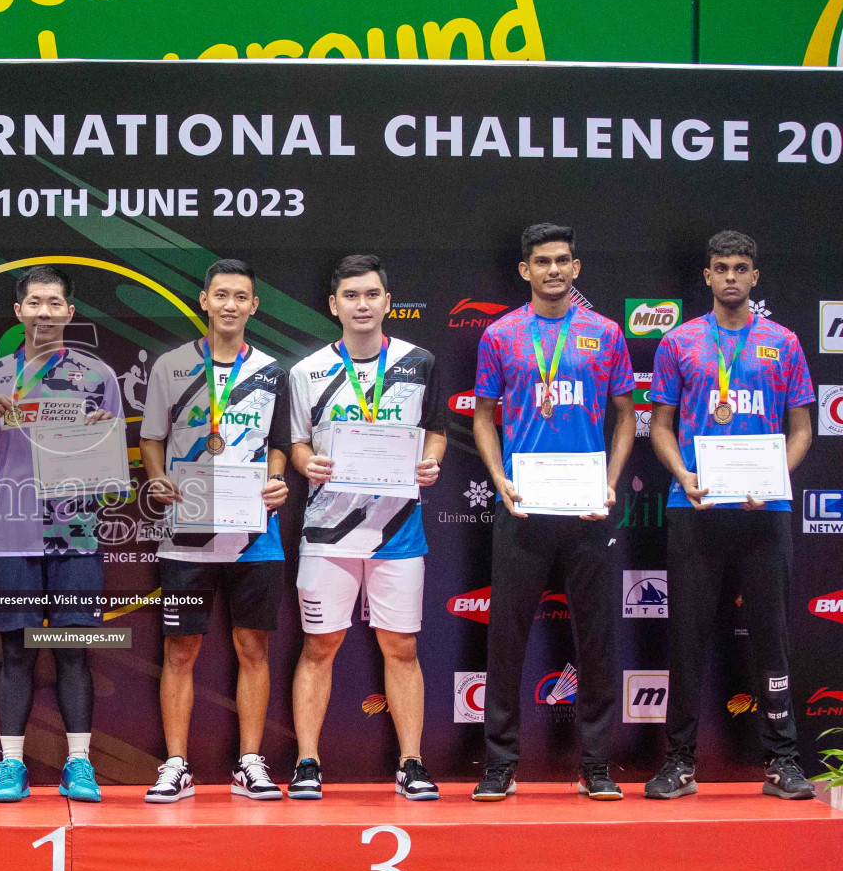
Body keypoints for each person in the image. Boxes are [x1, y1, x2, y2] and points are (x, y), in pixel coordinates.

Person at [644, 230, 815, 800]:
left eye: (742, 268)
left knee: (772, 636)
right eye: (722, 268)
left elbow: (803, 427)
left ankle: (783, 759)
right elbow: (661, 426)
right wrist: (683, 476)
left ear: (755, 277)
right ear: (708, 277)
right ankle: (679, 762)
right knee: (687, 637)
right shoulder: (680, 342)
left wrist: (774, 479)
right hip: (695, 506)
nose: (732, 278)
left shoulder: (784, 343)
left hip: (766, 511)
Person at [471, 223, 635, 802]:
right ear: (525, 270)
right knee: (506, 639)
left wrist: (611, 483)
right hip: (523, 507)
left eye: (563, 260)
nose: (554, 271)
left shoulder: (606, 333)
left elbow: (627, 415)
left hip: (589, 509)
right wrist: (499, 479)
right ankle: (499, 762)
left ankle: (596, 763)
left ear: (577, 267)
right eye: (542, 261)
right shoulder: (501, 335)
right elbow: (482, 416)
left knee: (597, 640)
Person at [0, 266, 122, 803]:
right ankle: (10, 765)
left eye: (55, 303)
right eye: (35, 302)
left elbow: (116, 471)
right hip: (14, 537)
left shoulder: (99, 377)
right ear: (18, 311)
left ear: (70, 313)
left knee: (74, 651)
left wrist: (96, 443)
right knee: (17, 653)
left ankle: (79, 764)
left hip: (78, 537)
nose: (44, 312)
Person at [287, 255, 446, 800]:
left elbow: (436, 431)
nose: (362, 304)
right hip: (328, 532)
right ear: (334, 305)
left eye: (371, 294)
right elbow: (297, 444)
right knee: (319, 645)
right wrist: (306, 464)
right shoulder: (306, 372)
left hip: (398, 530)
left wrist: (431, 462)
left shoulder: (419, 361)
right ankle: (307, 761)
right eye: (351, 296)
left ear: (386, 300)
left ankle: (411, 762)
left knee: (400, 646)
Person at [139, 258, 291, 802]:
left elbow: (280, 444)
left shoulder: (274, 372)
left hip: (256, 537)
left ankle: (250, 761)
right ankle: (176, 764)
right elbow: (151, 440)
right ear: (204, 300)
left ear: (254, 306)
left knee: (253, 646)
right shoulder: (170, 367)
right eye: (220, 294)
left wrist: (277, 480)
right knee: (180, 650)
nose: (230, 304)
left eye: (241, 296)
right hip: (187, 534)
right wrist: (157, 480)